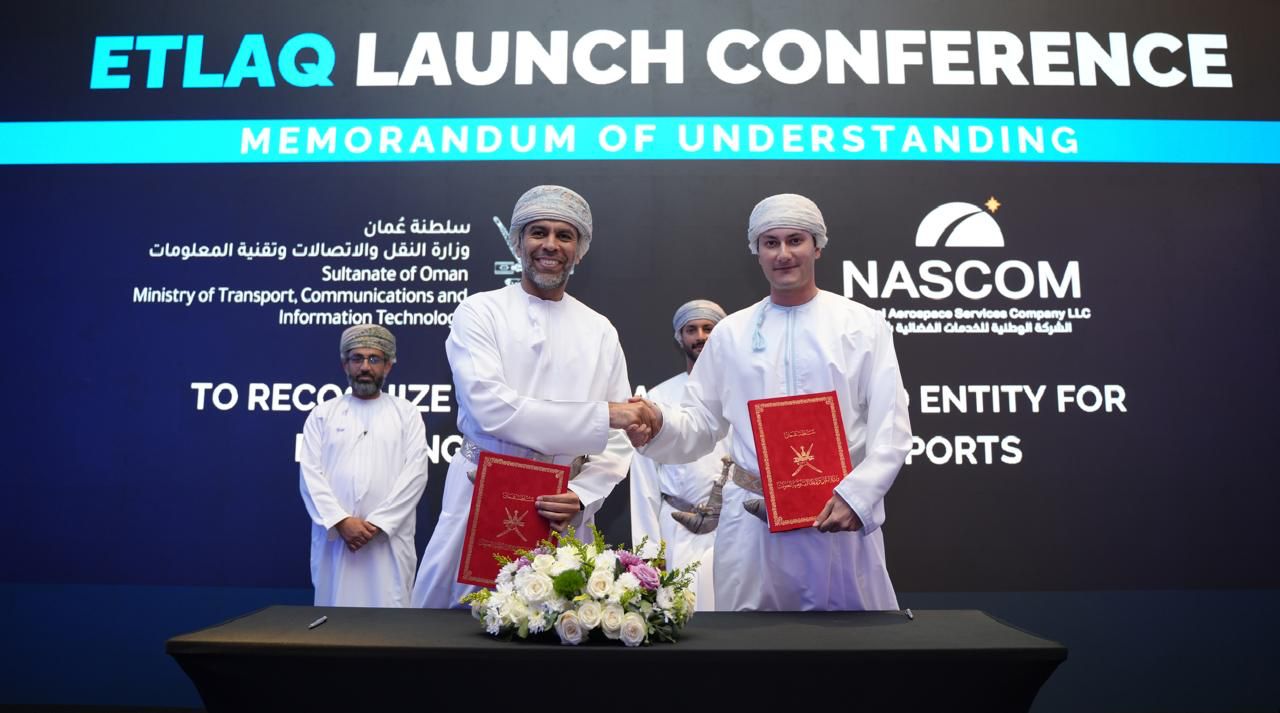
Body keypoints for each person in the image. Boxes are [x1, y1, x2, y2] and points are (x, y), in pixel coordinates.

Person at [633, 194, 912, 611]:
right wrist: (656, 426)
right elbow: (701, 422)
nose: (783, 254)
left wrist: (858, 497)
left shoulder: (862, 325)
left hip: (836, 517)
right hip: (750, 525)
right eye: (770, 243)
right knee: (750, 641)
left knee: (848, 640)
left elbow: (891, 427)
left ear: (817, 246)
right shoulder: (731, 333)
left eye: (795, 240)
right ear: (757, 252)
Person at [411, 185, 649, 608]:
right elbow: (491, 410)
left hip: (561, 506)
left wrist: (583, 495)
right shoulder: (479, 311)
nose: (550, 245)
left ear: (579, 251)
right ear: (517, 243)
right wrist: (604, 415)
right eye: (539, 232)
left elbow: (617, 443)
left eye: (565, 235)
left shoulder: (599, 329)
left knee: (555, 619)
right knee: (457, 622)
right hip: (482, 491)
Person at [299, 324, 430, 607]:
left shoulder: (406, 414)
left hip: (387, 542)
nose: (365, 367)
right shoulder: (323, 414)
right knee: (335, 618)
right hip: (337, 542)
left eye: (374, 359)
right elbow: (309, 476)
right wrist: (341, 521)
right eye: (357, 358)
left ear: (388, 366)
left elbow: (416, 474)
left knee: (388, 618)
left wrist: (380, 523)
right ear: (345, 364)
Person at [629, 299, 731, 611]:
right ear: (679, 337)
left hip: (733, 528)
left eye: (708, 328)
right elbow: (644, 482)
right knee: (681, 618)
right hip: (676, 531)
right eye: (692, 329)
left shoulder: (739, 391)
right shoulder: (658, 398)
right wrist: (649, 553)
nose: (700, 336)